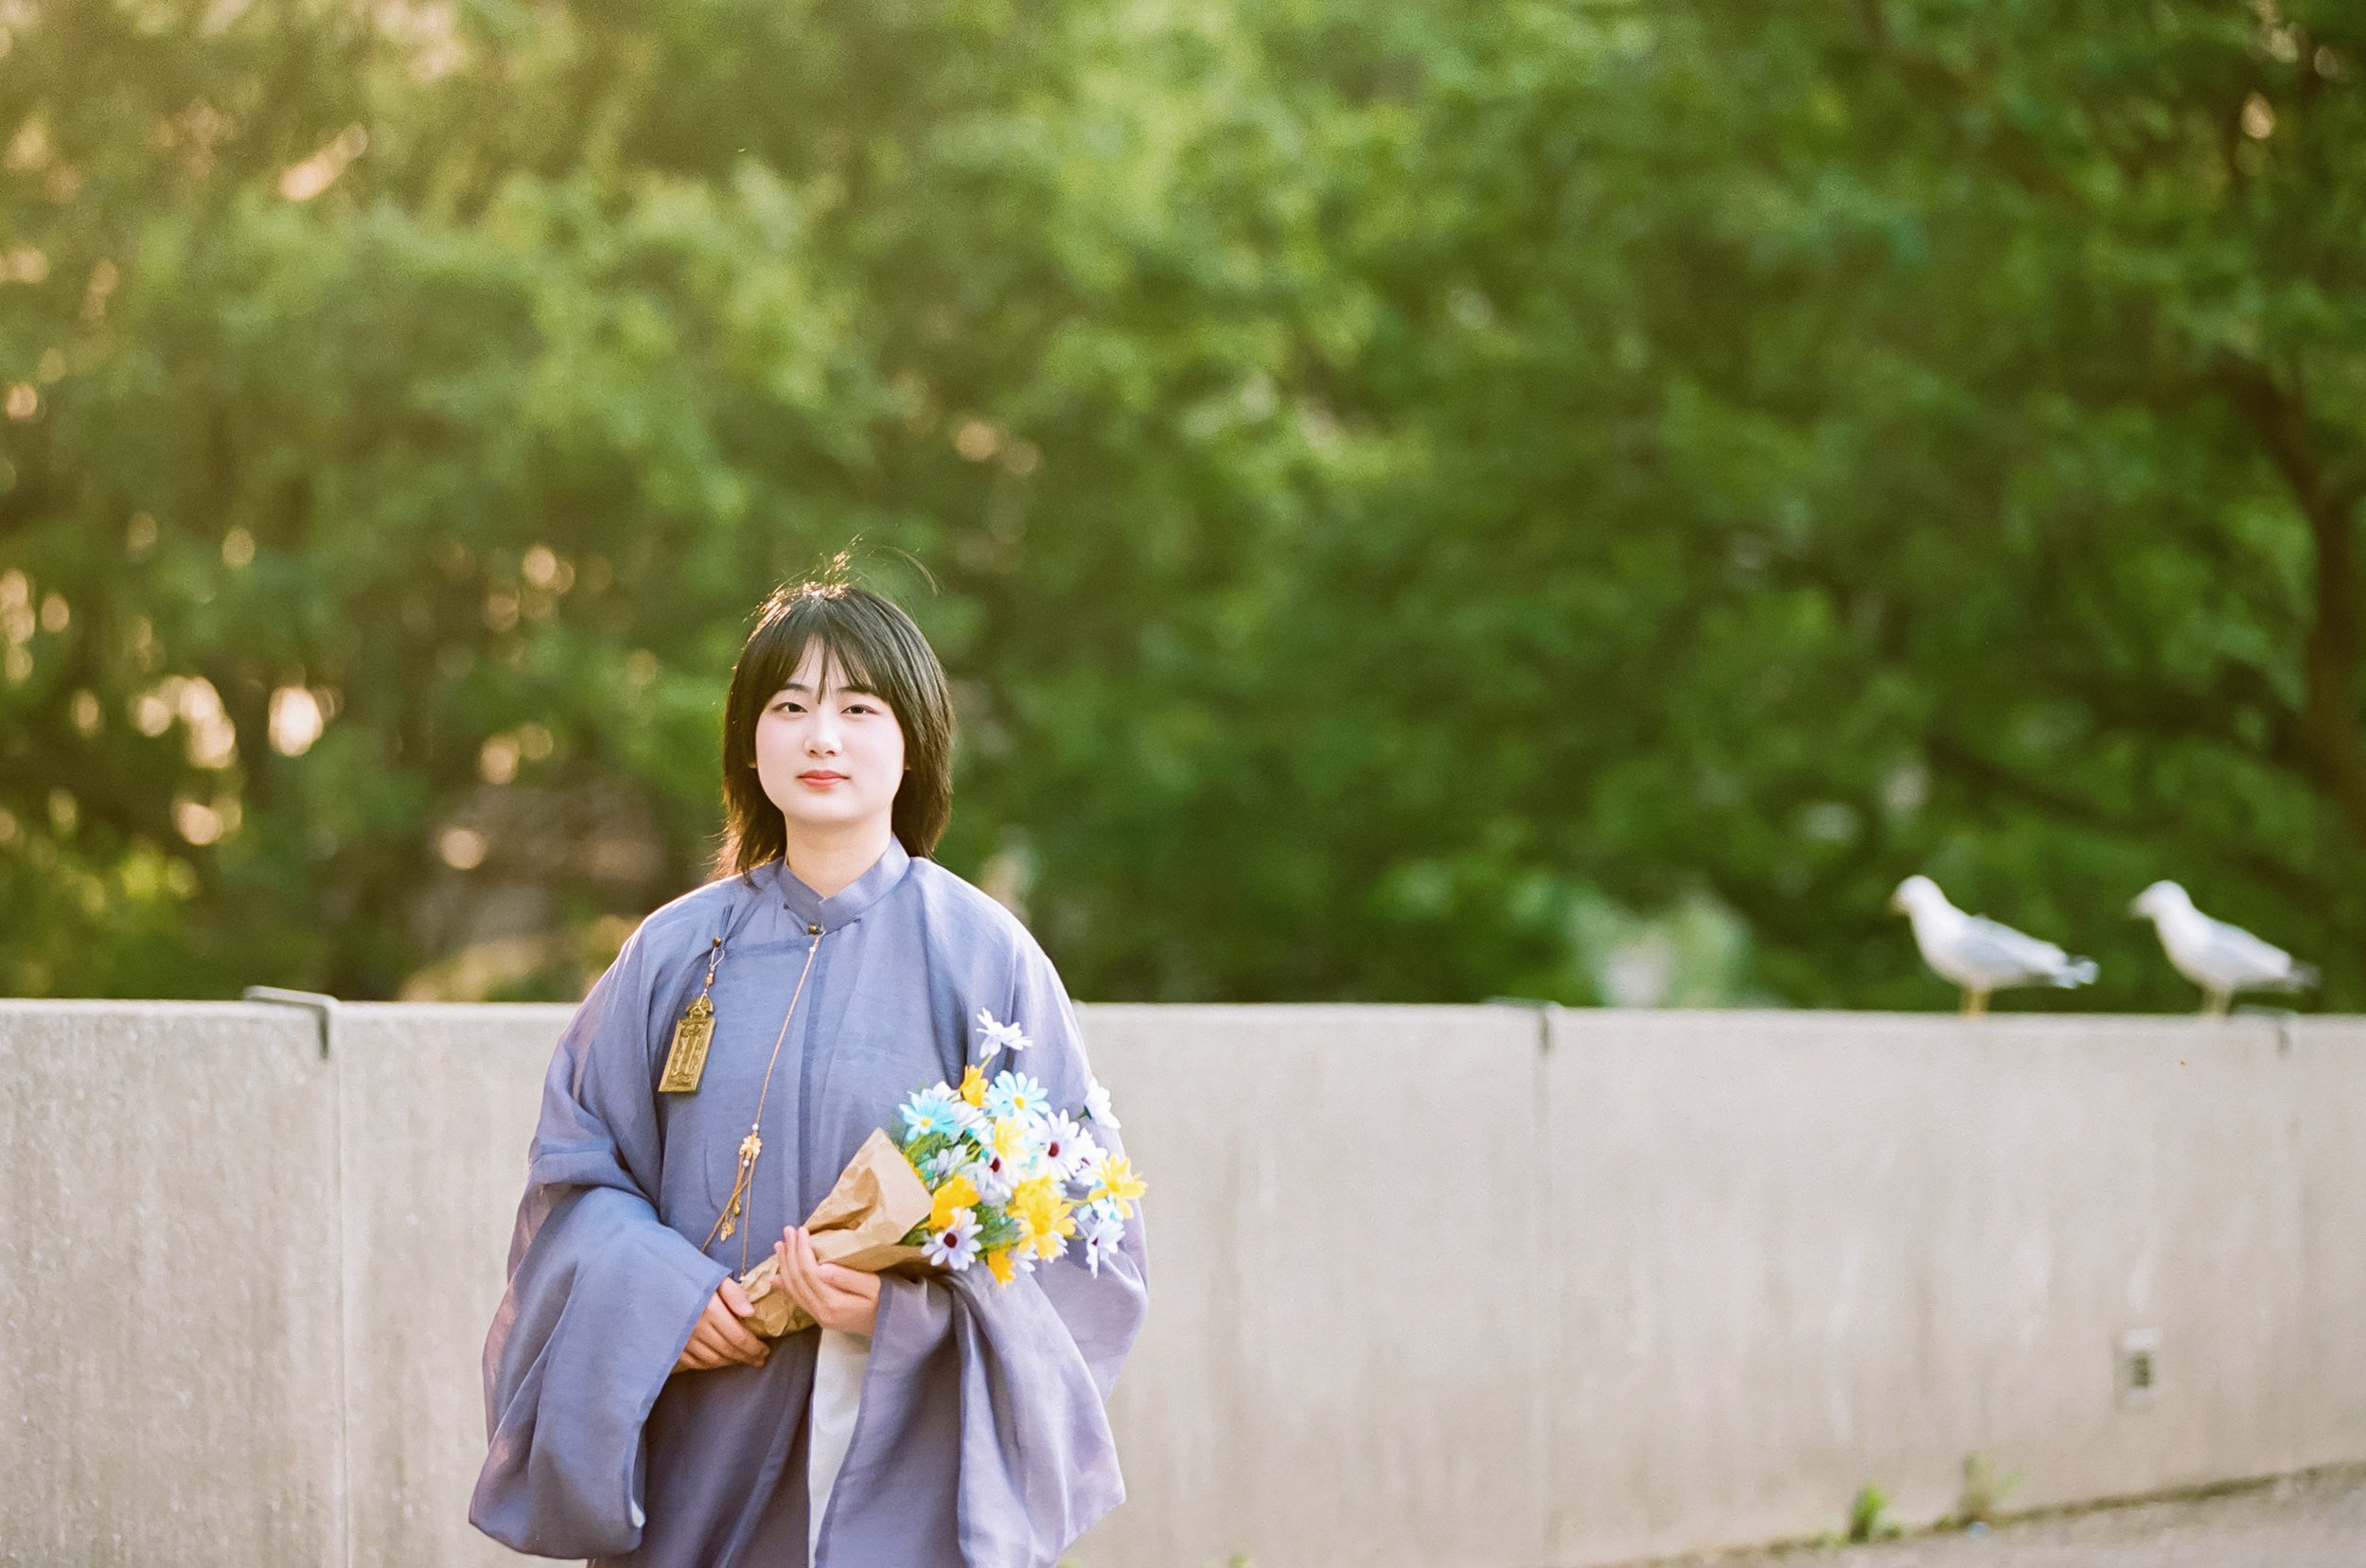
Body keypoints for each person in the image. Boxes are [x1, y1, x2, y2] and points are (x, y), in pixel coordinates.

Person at [469, 570, 1150, 1567]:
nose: (821, 736)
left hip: (891, 1448)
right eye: (789, 706)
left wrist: (903, 1314)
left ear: (910, 739)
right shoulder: (670, 953)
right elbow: (577, 1170)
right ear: (751, 739)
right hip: (696, 1431)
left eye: (858, 707)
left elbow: (1085, 1249)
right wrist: (659, 1296)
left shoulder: (984, 958)